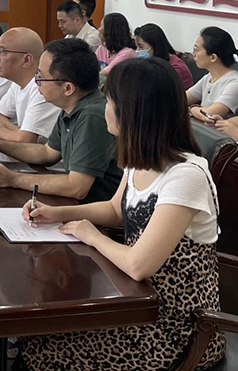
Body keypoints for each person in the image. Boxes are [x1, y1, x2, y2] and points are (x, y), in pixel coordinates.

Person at [17, 58, 225, 371]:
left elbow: (139, 265)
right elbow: (116, 209)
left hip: (174, 330)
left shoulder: (185, 176)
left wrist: (91, 235)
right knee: (35, 337)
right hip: (135, 303)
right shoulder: (141, 158)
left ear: (133, 111)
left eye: (109, 101)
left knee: (42, 350)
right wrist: (57, 213)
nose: (105, 108)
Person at [0, 38, 122, 203]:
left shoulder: (92, 115)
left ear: (68, 88)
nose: (37, 83)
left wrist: (12, 178)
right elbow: (47, 153)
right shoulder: (72, 106)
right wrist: (0, 145)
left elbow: (77, 187)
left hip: (95, 209)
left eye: (41, 77)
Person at [0, 28, 61, 142]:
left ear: (26, 60)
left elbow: (25, 140)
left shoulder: (42, 88)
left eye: (3, 51)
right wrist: (17, 132)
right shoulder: (17, 83)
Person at [186, 27, 238, 122]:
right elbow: (182, 99)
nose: (193, 54)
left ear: (213, 57)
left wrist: (192, 109)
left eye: (196, 50)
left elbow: (209, 114)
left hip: (231, 132)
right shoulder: (209, 77)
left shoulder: (236, 84)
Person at [135, 23, 194, 89]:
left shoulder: (176, 68)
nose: (137, 50)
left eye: (141, 47)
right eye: (136, 46)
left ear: (155, 46)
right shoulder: (150, 63)